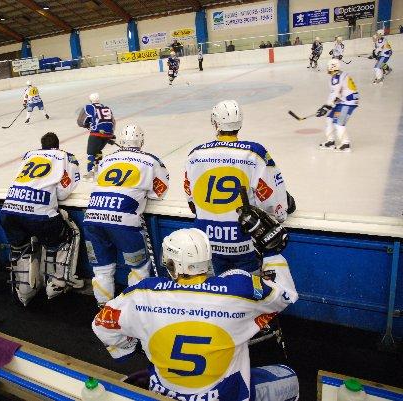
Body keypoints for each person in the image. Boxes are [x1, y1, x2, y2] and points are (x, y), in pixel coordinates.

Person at [92, 217, 299, 401]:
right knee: (288, 376)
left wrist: (127, 347)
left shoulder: (142, 293)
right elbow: (286, 295)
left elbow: (101, 323)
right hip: (227, 395)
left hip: (163, 392)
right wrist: (272, 254)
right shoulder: (239, 288)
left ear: (172, 265)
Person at [184, 100, 294, 274]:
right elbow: (271, 199)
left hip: (205, 243)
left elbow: (191, 197)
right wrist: (280, 213)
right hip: (243, 244)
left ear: (215, 123)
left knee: (216, 293)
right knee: (248, 295)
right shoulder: (254, 153)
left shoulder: (195, 154)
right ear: (240, 122)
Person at [83, 125, 170, 306]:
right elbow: (159, 192)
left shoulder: (106, 160)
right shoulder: (151, 160)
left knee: (102, 269)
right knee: (139, 268)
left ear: (120, 141)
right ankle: (134, 308)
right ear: (142, 141)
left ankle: (104, 310)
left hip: (92, 217)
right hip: (124, 221)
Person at [0, 132, 82, 306]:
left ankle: (24, 290)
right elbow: (64, 191)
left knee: (20, 248)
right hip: (41, 216)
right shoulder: (65, 157)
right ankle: (58, 282)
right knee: (65, 237)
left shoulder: (29, 155)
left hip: (8, 212)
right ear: (58, 146)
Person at [316, 59, 359, 152]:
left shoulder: (336, 78)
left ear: (332, 67)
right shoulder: (339, 75)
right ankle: (330, 142)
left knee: (338, 123)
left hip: (348, 102)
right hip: (343, 101)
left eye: (328, 66)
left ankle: (346, 144)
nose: (327, 68)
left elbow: (335, 94)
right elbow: (338, 94)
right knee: (329, 119)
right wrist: (327, 106)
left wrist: (326, 106)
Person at [77, 93, 116, 181]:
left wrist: (87, 125)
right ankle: (98, 169)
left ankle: (90, 173)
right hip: (108, 134)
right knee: (98, 151)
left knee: (91, 153)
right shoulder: (107, 108)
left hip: (96, 134)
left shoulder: (89, 107)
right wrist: (111, 135)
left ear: (90, 100)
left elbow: (81, 121)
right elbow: (113, 121)